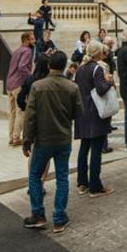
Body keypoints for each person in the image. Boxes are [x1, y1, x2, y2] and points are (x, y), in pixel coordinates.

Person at [23, 50, 81, 232]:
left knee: (34, 175)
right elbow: (78, 113)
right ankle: (59, 216)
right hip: (63, 137)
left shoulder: (38, 87)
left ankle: (38, 214)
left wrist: (27, 139)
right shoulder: (72, 87)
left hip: (43, 139)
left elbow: (30, 116)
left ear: (49, 66)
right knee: (62, 177)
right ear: (64, 66)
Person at [74, 40, 114, 198]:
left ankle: (82, 182)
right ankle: (95, 185)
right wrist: (109, 82)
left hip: (82, 112)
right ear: (98, 53)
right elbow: (101, 89)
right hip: (95, 112)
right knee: (96, 150)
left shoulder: (81, 69)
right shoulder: (97, 68)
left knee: (84, 148)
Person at [5, 31, 36, 147]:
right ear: (27, 40)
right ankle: (16, 138)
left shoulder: (17, 51)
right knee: (20, 112)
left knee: (12, 112)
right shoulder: (27, 51)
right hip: (18, 84)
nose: (34, 41)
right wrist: (31, 76)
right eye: (32, 39)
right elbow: (22, 67)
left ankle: (11, 137)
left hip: (9, 84)